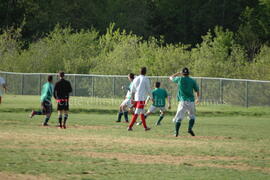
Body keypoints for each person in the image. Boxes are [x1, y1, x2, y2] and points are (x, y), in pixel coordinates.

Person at [169, 67, 200, 137]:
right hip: (191, 101)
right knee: (192, 116)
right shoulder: (192, 81)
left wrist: (178, 73)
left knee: (179, 118)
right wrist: (197, 98)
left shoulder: (179, 79)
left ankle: (176, 132)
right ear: (188, 73)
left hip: (183, 101)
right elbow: (197, 90)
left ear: (182, 73)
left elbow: (170, 77)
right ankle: (189, 128)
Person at [128, 67, 151, 131]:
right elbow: (148, 89)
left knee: (142, 112)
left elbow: (132, 90)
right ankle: (129, 127)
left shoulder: (136, 78)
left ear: (139, 71)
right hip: (142, 98)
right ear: (145, 72)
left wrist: (132, 98)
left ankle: (145, 127)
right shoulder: (146, 79)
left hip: (136, 98)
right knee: (137, 113)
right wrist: (151, 97)